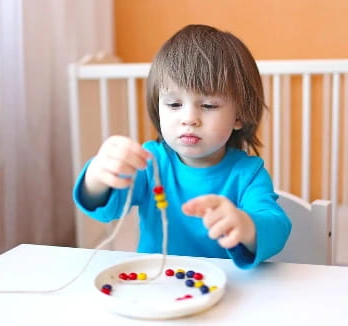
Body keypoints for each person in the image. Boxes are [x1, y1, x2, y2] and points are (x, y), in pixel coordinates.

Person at [73, 24, 291, 269]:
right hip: (157, 285)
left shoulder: (248, 174)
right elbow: (105, 210)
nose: (189, 119)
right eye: (174, 104)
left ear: (239, 116)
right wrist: (98, 177)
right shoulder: (150, 162)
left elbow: (276, 226)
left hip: (225, 290)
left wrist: (247, 226)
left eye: (208, 106)